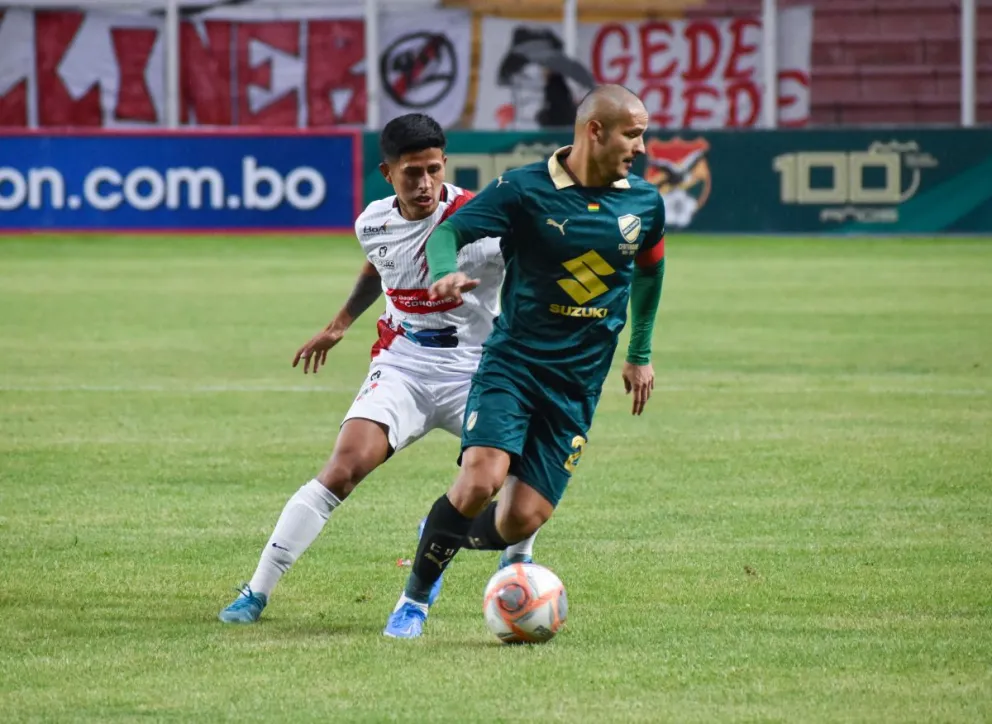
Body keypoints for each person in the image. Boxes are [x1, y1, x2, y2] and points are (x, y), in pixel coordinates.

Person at [219, 113, 538, 624]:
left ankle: (519, 569)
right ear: (387, 173)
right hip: (405, 365)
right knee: (342, 469)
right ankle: (256, 591)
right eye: (412, 172)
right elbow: (380, 264)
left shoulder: (482, 219)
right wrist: (340, 322)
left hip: (478, 368)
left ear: (445, 165)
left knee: (521, 469)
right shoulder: (372, 220)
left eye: (434, 169)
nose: (425, 183)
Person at [383, 85, 667, 639]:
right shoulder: (523, 189)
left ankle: (441, 530)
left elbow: (651, 271)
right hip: (513, 365)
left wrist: (640, 353)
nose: (640, 146)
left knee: (520, 519)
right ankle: (413, 602)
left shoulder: (644, 203)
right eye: (633, 133)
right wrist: (444, 269)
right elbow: (452, 229)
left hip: (577, 384)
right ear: (595, 131)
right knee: (478, 482)